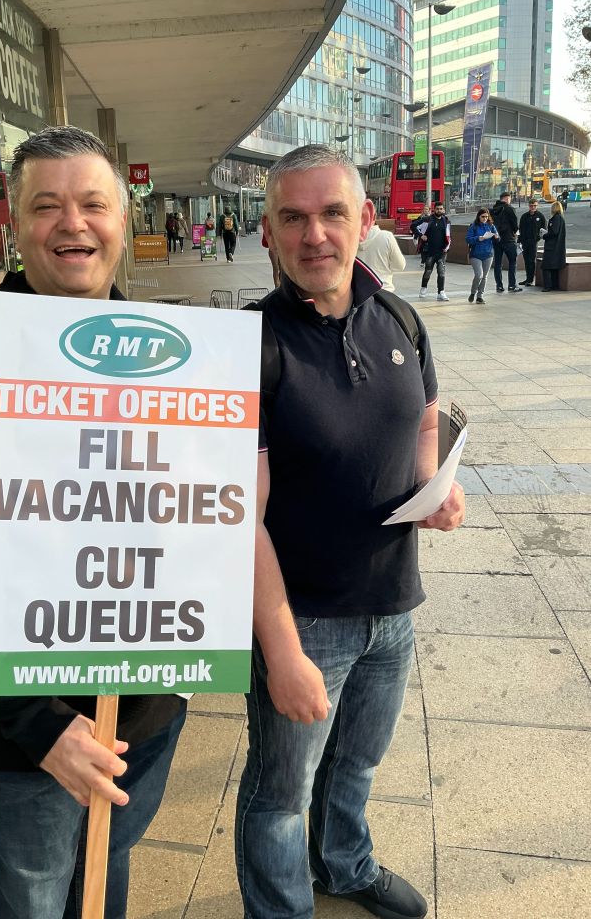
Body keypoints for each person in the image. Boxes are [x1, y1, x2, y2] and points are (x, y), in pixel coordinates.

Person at [0, 126, 187, 919]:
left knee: (108, 875)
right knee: (29, 897)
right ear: (16, 228)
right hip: (28, 735)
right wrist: (40, 723)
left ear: (123, 222)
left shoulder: (186, 364)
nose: (74, 224)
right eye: (47, 206)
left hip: (148, 716)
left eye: (94, 204)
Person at [236, 144, 465, 919]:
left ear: (366, 220)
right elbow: (240, 517)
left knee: (357, 765)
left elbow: (426, 411)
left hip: (392, 603)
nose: (315, 235)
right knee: (279, 792)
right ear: (266, 231)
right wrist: (282, 651)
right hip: (301, 615)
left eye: (333, 214)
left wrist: (433, 484)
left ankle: (343, 864)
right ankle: (283, 910)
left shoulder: (397, 315)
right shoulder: (249, 348)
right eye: (293, 218)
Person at [357, 215, 406, 291]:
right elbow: (400, 266)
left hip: (360, 292)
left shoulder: (350, 239)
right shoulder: (386, 236)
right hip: (384, 290)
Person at [417, 201, 450, 301]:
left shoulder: (446, 220)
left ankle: (441, 292)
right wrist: (421, 235)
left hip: (442, 251)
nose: (439, 211)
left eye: (441, 209)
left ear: (443, 210)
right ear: (434, 209)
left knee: (441, 272)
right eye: (437, 209)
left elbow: (448, 234)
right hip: (430, 251)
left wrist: (447, 245)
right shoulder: (428, 220)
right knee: (428, 271)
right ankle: (423, 288)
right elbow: (414, 226)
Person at [465, 208, 498, 304]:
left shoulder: (491, 226)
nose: (485, 218)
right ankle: (473, 292)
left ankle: (479, 296)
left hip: (488, 254)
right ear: (478, 217)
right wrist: (478, 238)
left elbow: (497, 238)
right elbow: (468, 239)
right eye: (483, 217)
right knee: (479, 275)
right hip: (476, 254)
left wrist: (496, 237)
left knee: (485, 276)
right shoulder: (474, 226)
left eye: (486, 217)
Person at [491, 192, 521, 293]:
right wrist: (514, 233)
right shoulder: (510, 209)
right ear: (508, 198)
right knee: (512, 262)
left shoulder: (493, 210)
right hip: (509, 239)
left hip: (496, 240)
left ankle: (499, 286)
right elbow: (515, 224)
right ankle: (512, 286)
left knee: (498, 264)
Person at [518, 198, 547, 286]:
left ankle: (530, 280)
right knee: (526, 260)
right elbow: (520, 229)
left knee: (531, 260)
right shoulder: (524, 216)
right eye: (531, 206)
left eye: (535, 206)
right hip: (525, 241)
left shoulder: (540, 216)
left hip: (533, 242)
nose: (533, 207)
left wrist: (538, 237)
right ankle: (527, 279)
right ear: (529, 206)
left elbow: (544, 229)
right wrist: (519, 240)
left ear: (537, 206)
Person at [541, 200, 567, 292]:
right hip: (558, 247)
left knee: (546, 266)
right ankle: (555, 285)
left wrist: (544, 235)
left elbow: (553, 232)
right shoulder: (561, 218)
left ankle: (548, 286)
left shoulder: (555, 219)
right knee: (554, 267)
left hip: (552, 247)